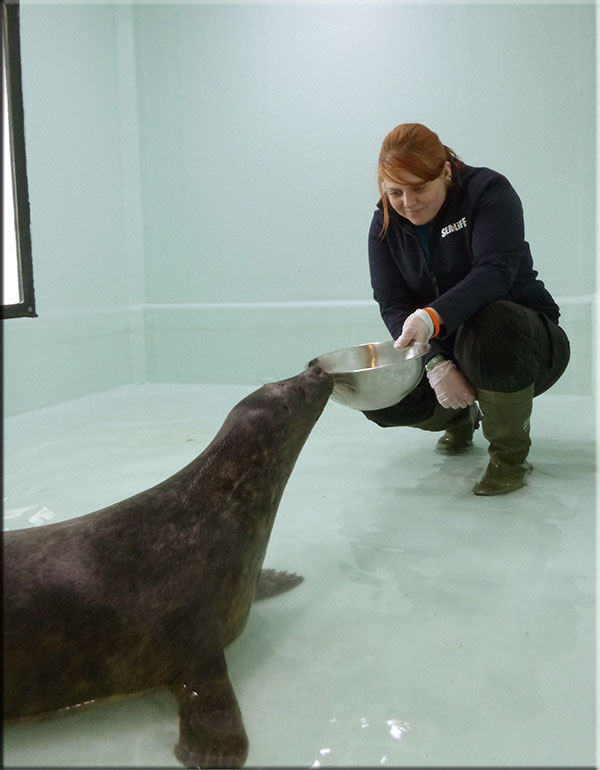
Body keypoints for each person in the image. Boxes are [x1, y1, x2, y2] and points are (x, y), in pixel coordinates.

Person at [364, 123, 570, 496]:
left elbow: (496, 272)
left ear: (445, 170)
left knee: (491, 322)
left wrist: (431, 317)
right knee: (378, 394)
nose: (408, 203)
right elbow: (393, 303)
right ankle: (459, 416)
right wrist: (435, 362)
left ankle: (509, 454)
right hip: (451, 348)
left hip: (522, 342)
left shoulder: (488, 192)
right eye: (395, 192)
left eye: (420, 188)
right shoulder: (384, 224)